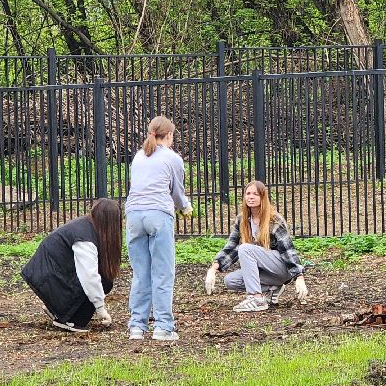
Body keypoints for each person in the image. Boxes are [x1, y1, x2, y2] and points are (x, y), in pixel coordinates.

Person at [124, 115, 192, 342]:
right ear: (169, 135)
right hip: (158, 215)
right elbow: (177, 192)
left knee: (141, 273)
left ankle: (137, 326)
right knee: (162, 272)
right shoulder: (172, 158)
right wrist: (185, 207)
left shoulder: (139, 156)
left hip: (134, 216)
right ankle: (163, 326)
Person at [204, 180, 307, 312]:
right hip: (266, 273)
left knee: (246, 248)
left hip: (281, 268)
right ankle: (273, 288)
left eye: (255, 194)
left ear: (263, 197)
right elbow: (232, 247)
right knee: (230, 281)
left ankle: (256, 299)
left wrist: (299, 277)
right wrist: (213, 269)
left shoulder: (274, 219)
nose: (251, 197)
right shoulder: (242, 219)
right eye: (248, 193)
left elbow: (288, 250)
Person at [22, 199, 122, 333]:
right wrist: (100, 308)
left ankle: (58, 309)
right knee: (103, 281)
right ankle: (69, 320)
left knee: (105, 280)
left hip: (46, 271)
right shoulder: (85, 239)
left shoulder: (87, 227)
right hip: (47, 275)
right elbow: (89, 276)